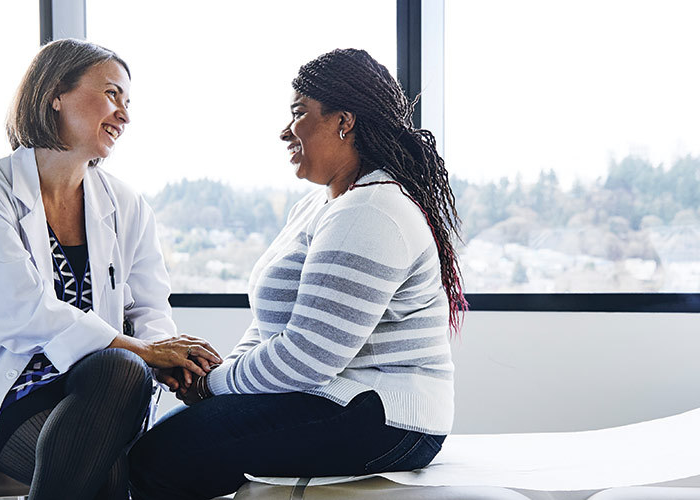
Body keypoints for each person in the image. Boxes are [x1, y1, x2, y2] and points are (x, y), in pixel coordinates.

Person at [128, 48, 467, 500]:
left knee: (164, 457)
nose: (286, 132)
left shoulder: (372, 211)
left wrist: (212, 385)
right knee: (165, 448)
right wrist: (220, 375)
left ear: (343, 122)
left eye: (298, 114)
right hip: (335, 395)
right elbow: (273, 327)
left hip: (386, 417)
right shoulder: (319, 206)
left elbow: (308, 356)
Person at [0, 39, 220, 500]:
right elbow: (20, 312)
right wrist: (146, 351)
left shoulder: (126, 205)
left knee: (121, 367)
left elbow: (149, 307)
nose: (125, 116)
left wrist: (168, 358)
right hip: (4, 395)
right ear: (55, 93)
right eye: (112, 95)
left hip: (99, 391)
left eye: (128, 103)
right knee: (108, 476)